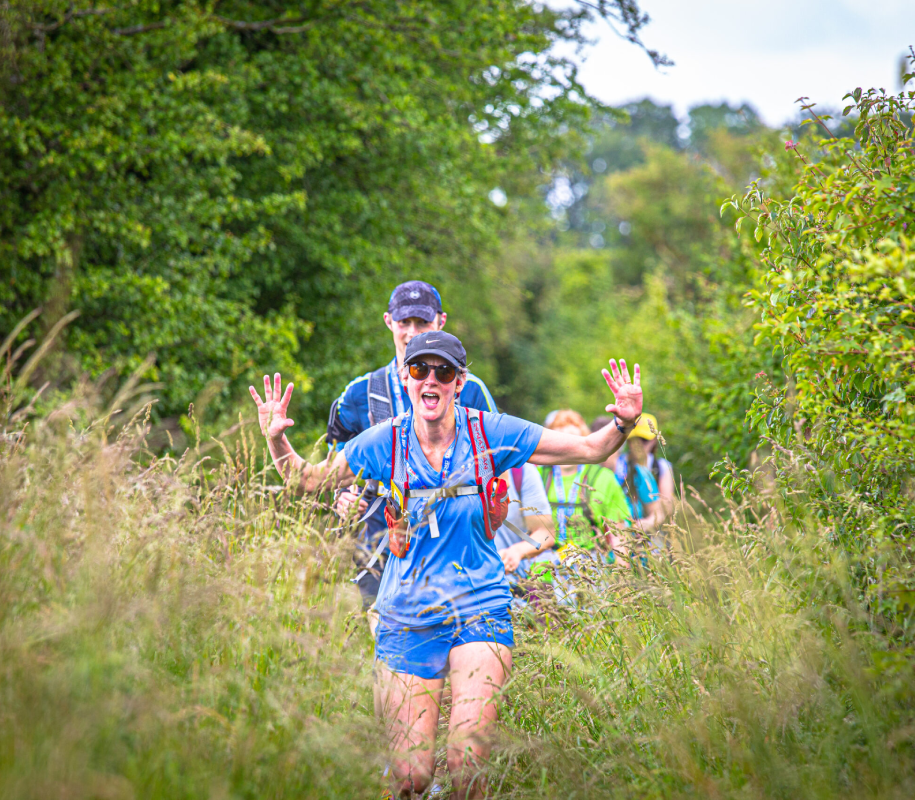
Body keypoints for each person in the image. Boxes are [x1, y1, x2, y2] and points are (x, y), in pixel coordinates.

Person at [248, 331, 644, 799]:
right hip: (406, 617)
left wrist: (622, 422)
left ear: (460, 383)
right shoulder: (384, 441)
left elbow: (588, 450)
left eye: (444, 372)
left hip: (480, 608)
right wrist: (276, 440)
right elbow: (307, 480)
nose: (430, 380)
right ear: (406, 378)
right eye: (420, 370)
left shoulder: (489, 432)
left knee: (466, 765)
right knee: (410, 778)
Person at [328, 281, 498, 611]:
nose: (411, 332)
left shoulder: (470, 389)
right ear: (388, 322)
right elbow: (334, 461)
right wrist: (342, 497)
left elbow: (495, 459)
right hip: (380, 536)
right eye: (404, 322)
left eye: (422, 322)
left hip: (454, 538)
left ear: (441, 321)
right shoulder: (360, 394)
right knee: (386, 640)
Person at [541, 410, 632, 560]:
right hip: (543, 567)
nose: (566, 446)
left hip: (592, 566)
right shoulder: (538, 475)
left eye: (573, 440)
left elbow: (619, 535)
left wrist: (621, 573)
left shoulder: (604, 478)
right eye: (560, 440)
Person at [491, 462, 555, 594]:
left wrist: (517, 551)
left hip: (513, 585)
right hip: (459, 588)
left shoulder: (521, 472)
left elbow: (545, 533)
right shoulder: (447, 472)